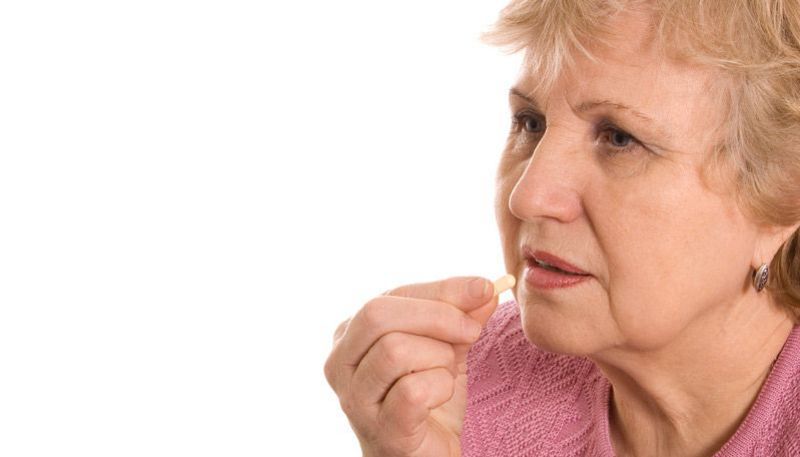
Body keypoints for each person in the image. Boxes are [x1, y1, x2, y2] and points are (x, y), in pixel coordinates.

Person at [323, 0, 800, 455]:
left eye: (619, 139)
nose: (527, 197)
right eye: (530, 123)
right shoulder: (459, 383)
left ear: (781, 201)